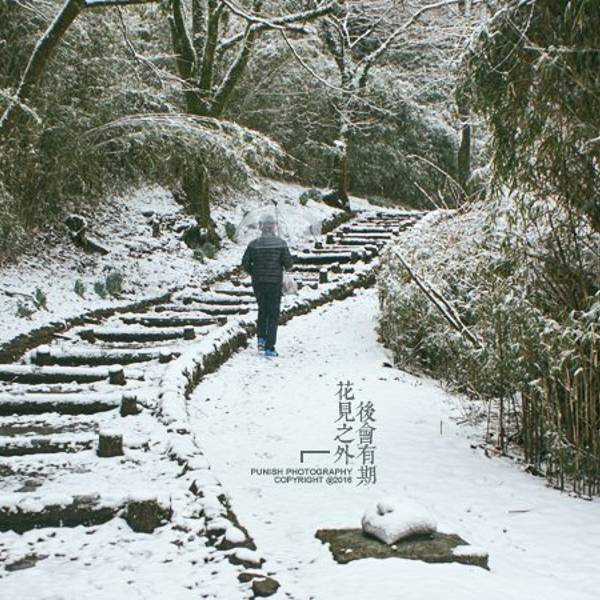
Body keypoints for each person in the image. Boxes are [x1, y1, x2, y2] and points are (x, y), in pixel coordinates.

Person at [241, 213, 293, 357]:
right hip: (274, 283)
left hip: (258, 282)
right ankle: (270, 347)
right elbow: (289, 264)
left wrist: (254, 272)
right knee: (273, 314)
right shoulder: (280, 243)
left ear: (261, 227)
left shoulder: (254, 244)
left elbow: (245, 263)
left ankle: (261, 339)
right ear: (274, 227)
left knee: (262, 310)